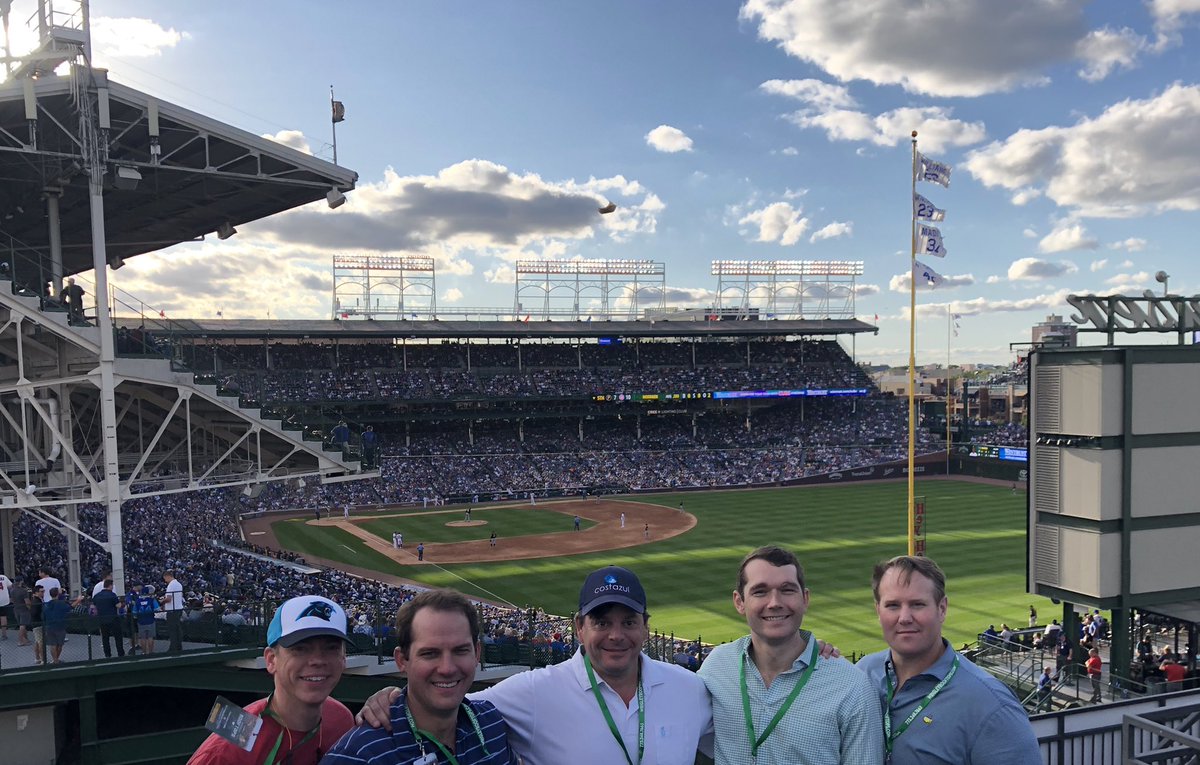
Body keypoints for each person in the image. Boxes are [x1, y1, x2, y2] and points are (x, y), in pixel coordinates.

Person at [356, 565, 714, 763]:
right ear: (579, 628)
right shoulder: (532, 692)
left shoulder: (689, 688)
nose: (616, 635)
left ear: (646, 627)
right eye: (602, 623)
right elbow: (451, 702)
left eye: (629, 622)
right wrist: (392, 697)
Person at [698, 546, 882, 764]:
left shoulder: (851, 686)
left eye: (787, 590)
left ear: (805, 598)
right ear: (739, 602)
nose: (775, 603)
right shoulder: (717, 666)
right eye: (760, 591)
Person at [857, 555, 1040, 764]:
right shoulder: (862, 673)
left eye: (917, 604)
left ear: (942, 609)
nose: (905, 617)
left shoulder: (991, 705)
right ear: (878, 611)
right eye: (892, 605)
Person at [322, 589, 513, 764]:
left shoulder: (491, 721)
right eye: (429, 653)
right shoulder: (358, 755)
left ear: (477, 654)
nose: (447, 668)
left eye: (461, 650)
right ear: (402, 659)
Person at [188, 595, 355, 764]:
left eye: (331, 648)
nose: (317, 660)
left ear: (343, 658)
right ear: (271, 659)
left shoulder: (341, 718)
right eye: (300, 649)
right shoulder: (223, 754)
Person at [92, 579, 125, 658]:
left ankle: (107, 654)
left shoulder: (97, 596)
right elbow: (118, 606)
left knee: (105, 638)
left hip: (102, 619)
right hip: (113, 619)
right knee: (118, 637)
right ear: (110, 586)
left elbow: (93, 607)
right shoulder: (112, 595)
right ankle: (120, 653)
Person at [43, 587, 71, 664]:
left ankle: (55, 660)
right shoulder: (61, 603)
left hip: (49, 625)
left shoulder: (46, 604)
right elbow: (70, 607)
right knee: (60, 644)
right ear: (58, 594)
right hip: (60, 626)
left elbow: (43, 615)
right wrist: (78, 600)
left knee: (52, 644)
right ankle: (56, 660)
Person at [132, 584, 160, 655]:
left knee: (142, 638)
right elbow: (157, 609)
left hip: (141, 621)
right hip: (150, 620)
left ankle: (143, 652)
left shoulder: (137, 601)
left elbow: (134, 612)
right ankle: (150, 652)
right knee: (150, 637)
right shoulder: (152, 600)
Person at [162, 570, 185, 652]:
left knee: (172, 630)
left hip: (172, 610)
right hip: (178, 608)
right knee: (177, 628)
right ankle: (178, 646)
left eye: (165, 578)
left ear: (167, 576)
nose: (165, 580)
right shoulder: (179, 584)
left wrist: (161, 601)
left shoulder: (171, 585)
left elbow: (168, 599)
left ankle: (173, 647)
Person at [11, 576, 32, 646]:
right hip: (23, 609)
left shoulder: (12, 590)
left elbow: (12, 600)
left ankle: (26, 639)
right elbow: (27, 602)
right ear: (21, 581)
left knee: (22, 625)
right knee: (22, 625)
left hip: (16, 609)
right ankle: (20, 641)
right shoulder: (23, 591)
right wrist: (30, 608)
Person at [0, 571, 11, 640]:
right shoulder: (3, 577)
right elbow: (10, 586)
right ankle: (4, 634)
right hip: (4, 600)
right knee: (3, 617)